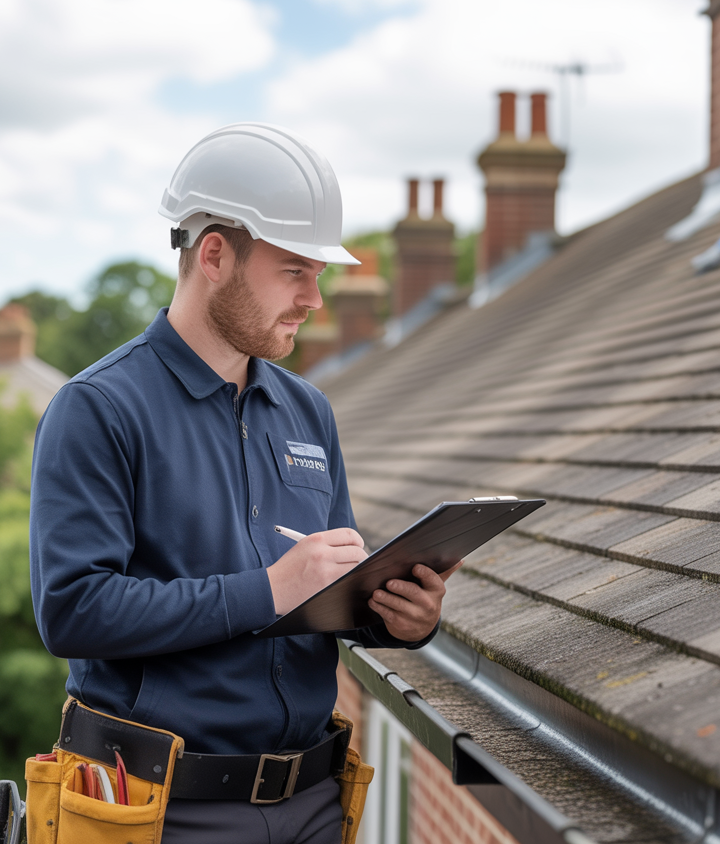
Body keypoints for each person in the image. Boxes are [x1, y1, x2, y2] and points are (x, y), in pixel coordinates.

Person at [29, 123, 457, 843]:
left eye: (318, 276)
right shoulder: (98, 409)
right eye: (295, 270)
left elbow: (324, 587)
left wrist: (395, 617)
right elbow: (72, 610)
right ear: (216, 255)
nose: (313, 300)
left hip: (315, 804)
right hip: (163, 812)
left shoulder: (307, 410)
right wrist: (268, 589)